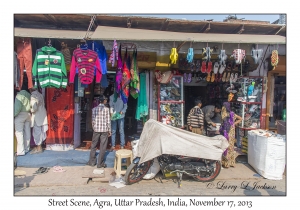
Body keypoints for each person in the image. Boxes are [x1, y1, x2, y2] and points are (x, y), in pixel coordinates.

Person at [87, 95, 111, 168]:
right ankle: (100, 163)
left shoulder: (94, 109)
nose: (106, 101)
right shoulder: (107, 109)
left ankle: (92, 162)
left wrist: (94, 128)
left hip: (96, 129)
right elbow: (108, 121)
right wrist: (109, 130)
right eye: (105, 100)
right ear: (103, 101)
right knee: (103, 146)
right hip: (104, 130)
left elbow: (93, 121)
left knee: (93, 145)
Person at [219, 102, 242, 168]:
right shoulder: (232, 114)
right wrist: (233, 123)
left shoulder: (223, 114)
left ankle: (226, 163)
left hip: (226, 132)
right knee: (231, 147)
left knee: (225, 146)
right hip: (231, 132)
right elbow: (240, 118)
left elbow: (222, 123)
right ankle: (231, 163)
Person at [29, 88, 48, 154]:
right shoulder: (40, 95)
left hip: (37, 116)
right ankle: (40, 147)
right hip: (42, 115)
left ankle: (39, 148)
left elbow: (34, 108)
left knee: (37, 133)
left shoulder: (33, 96)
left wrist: (31, 110)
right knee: (41, 132)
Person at [14, 88, 31, 156]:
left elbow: (17, 108)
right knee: (27, 132)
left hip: (20, 114)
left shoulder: (19, 95)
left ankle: (21, 151)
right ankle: (27, 148)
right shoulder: (29, 95)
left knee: (19, 132)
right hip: (28, 114)